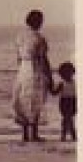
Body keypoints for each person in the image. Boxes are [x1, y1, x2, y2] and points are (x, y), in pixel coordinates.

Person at [12, 9, 53, 142]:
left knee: (23, 99)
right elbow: (44, 59)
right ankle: (34, 134)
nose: (42, 23)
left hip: (23, 69)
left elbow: (18, 57)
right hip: (35, 69)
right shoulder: (39, 38)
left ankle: (25, 134)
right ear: (37, 22)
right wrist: (49, 76)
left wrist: (20, 70)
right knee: (35, 100)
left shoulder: (19, 36)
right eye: (41, 20)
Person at [55, 62, 77, 142]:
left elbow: (54, 92)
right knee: (68, 119)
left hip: (70, 101)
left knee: (67, 119)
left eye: (69, 73)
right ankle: (71, 135)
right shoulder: (63, 83)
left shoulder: (69, 83)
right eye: (66, 73)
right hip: (67, 101)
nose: (68, 75)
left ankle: (65, 135)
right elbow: (55, 92)